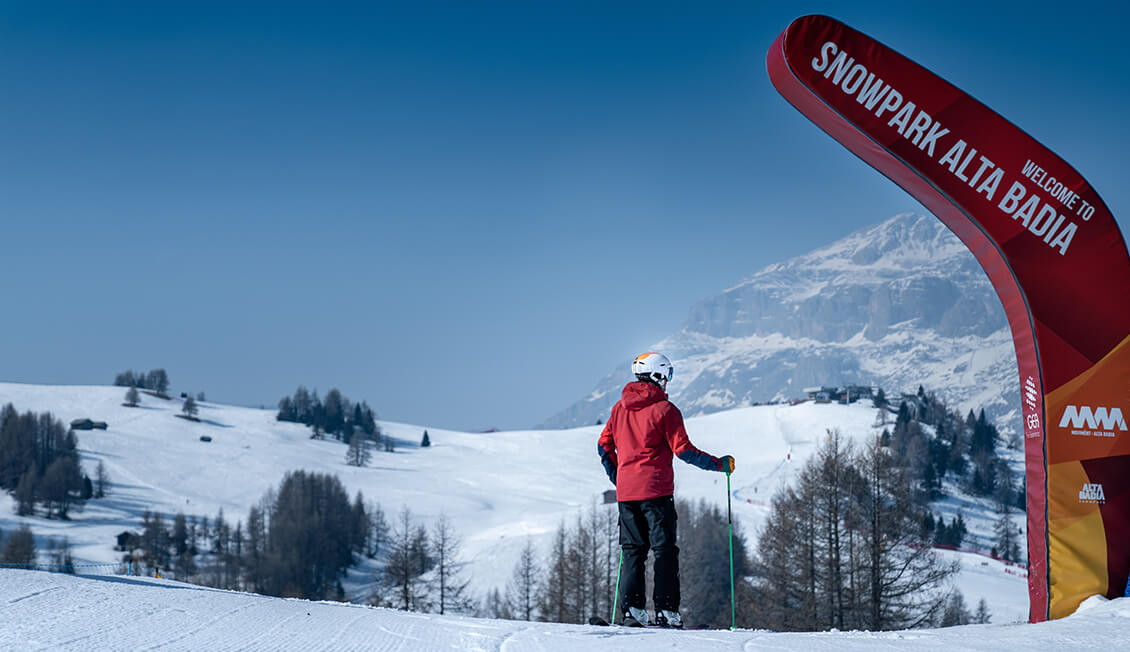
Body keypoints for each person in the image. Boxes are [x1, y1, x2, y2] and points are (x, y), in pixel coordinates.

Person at [597, 352, 735, 628]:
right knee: (664, 551)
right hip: (657, 493)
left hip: (627, 495)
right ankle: (666, 612)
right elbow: (683, 450)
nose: (668, 381)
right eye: (668, 375)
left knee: (632, 551)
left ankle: (633, 611)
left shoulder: (618, 409)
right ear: (658, 375)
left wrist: (620, 478)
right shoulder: (665, 411)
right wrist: (718, 465)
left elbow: (603, 446)